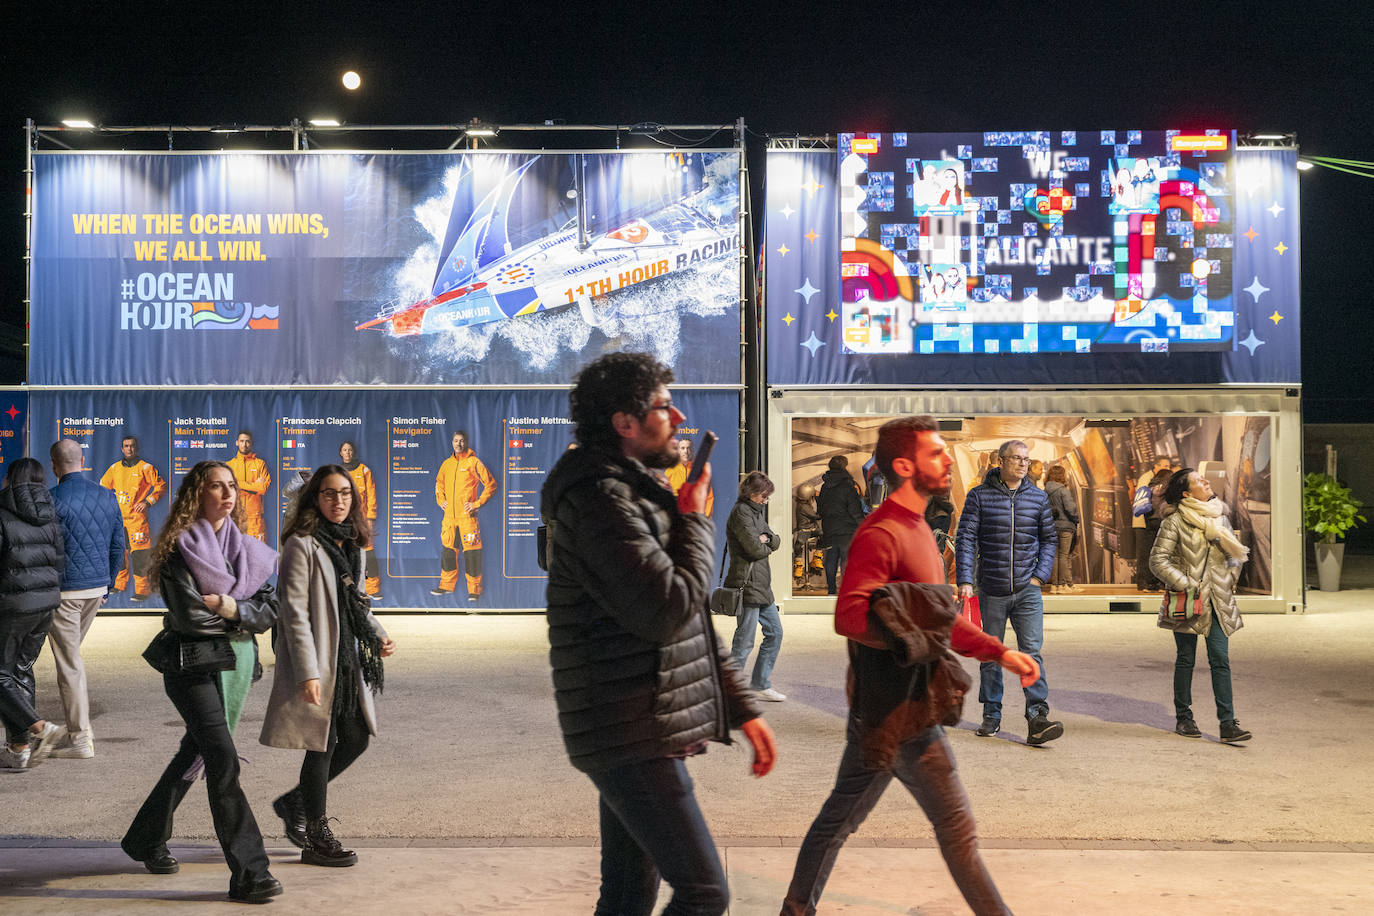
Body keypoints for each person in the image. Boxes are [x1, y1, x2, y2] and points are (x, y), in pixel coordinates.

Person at [541, 351, 777, 915]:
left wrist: (741, 708)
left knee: (627, 895)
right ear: (626, 422)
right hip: (627, 726)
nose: (679, 418)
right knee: (704, 893)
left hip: (641, 720)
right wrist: (694, 519)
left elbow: (689, 623)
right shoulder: (599, 499)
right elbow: (668, 609)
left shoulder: (633, 490)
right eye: (664, 407)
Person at [781, 417, 1038, 916]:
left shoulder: (920, 527)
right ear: (904, 466)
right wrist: (911, 640)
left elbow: (934, 618)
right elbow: (849, 616)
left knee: (840, 822)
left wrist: (1000, 652)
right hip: (896, 710)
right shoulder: (881, 533)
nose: (947, 460)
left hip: (898, 706)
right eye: (936, 453)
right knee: (954, 829)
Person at [120, 461, 282, 903]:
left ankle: (144, 838)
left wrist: (231, 608)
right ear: (198, 493)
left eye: (232, 486)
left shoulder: (249, 550)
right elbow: (192, 619)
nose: (228, 494)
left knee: (194, 755)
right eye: (216, 486)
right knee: (223, 760)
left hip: (233, 667)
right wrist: (244, 616)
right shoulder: (179, 550)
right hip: (191, 668)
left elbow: (271, 610)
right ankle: (251, 873)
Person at [261, 465, 396, 867]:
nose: (338, 501)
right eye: (329, 493)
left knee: (355, 737)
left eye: (345, 494)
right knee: (323, 743)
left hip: (346, 655)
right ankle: (316, 837)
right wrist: (307, 672)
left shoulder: (353, 542)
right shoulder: (301, 544)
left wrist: (377, 634)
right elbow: (293, 613)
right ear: (314, 498)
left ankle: (295, 804)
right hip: (318, 657)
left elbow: (356, 601)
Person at [955, 439, 1062, 745]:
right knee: (991, 654)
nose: (1023, 463)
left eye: (1026, 459)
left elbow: (1049, 539)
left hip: (1027, 591)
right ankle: (991, 714)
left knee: (1032, 653)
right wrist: (965, 579)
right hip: (991, 588)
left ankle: (1037, 716)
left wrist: (1039, 576)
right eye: (1016, 458)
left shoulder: (1038, 498)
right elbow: (966, 539)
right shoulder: (979, 496)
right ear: (1000, 461)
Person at [1150, 467, 1253, 744]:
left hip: (1218, 599)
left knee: (1221, 659)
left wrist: (1229, 579)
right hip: (1188, 600)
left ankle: (1228, 723)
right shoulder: (1174, 522)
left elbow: (1235, 555)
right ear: (1186, 493)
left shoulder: (1220, 517)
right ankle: (1184, 717)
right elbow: (1158, 560)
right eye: (1198, 480)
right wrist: (1185, 583)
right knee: (1186, 659)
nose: (1206, 481)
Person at [46, 439, 125, 759]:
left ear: (54, 466)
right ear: (82, 461)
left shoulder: (51, 499)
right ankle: (76, 731)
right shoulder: (107, 496)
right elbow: (119, 544)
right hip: (95, 589)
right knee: (72, 656)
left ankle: (80, 739)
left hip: (64, 591)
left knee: (69, 664)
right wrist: (107, 585)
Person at [0, 459, 67, 770]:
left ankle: (39, 727)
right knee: (21, 671)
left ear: (10, 479)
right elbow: (59, 562)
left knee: (2, 674)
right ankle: (19, 748)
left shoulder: (2, 511)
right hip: (45, 606)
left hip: (12, 607)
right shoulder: (50, 514)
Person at [725, 470, 785, 702]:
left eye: (767, 496)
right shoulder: (741, 513)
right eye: (763, 495)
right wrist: (765, 541)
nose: (766, 500)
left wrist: (766, 538)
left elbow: (775, 540)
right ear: (751, 493)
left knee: (775, 633)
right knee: (744, 641)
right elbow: (754, 549)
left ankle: (760, 684)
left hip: (762, 586)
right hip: (747, 584)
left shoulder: (756, 513)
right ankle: (731, 690)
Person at [100, 434, 166, 602]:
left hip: (137, 520)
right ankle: (119, 584)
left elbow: (161, 486)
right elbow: (103, 487)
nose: (129, 449)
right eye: (126, 446)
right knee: (119, 553)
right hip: (118, 520)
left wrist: (148, 502)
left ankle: (142, 591)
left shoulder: (145, 468)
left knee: (140, 556)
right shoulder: (114, 468)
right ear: (122, 449)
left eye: (132, 446)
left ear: (137, 448)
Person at [432, 430, 496, 602]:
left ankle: (474, 590)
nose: (458, 444)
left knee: (472, 555)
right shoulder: (446, 464)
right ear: (452, 442)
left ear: (466, 442)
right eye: (455, 441)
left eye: (461, 441)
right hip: (449, 519)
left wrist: (476, 503)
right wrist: (441, 500)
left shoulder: (473, 462)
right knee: (448, 553)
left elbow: (491, 484)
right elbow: (439, 483)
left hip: (468, 518)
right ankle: (446, 586)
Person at [338, 441, 383, 600]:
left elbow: (371, 495)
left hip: (362, 520)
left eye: (350, 450)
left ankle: (373, 589)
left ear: (354, 452)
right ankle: (348, 589)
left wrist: (370, 517)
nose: (348, 453)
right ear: (341, 453)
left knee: (368, 553)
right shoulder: (337, 472)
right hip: (344, 520)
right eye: (345, 450)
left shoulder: (364, 470)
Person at [817, 456, 865, 596]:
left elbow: (820, 509)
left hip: (829, 528)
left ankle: (831, 591)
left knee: (831, 558)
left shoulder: (825, 486)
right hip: (847, 529)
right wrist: (863, 524)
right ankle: (846, 590)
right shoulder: (848, 486)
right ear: (844, 466)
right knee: (846, 558)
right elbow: (855, 509)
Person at [1134, 457, 1172, 590]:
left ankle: (1148, 582)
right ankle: (1148, 581)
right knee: (1150, 553)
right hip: (1148, 522)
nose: (1167, 468)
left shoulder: (1153, 481)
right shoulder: (1152, 479)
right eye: (1165, 466)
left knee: (1147, 553)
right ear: (1156, 466)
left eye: (1168, 466)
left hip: (1147, 519)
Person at [227, 431, 271, 542]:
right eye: (242, 441)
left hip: (255, 520)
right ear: (237, 442)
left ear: (251, 443)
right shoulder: (229, 466)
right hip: (235, 519)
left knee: (258, 552)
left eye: (247, 441)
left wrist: (237, 484)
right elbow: (228, 489)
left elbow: (262, 488)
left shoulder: (260, 464)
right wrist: (254, 486)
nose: (244, 444)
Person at [1044, 465, 1080, 594]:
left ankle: (1054, 586)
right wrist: (1076, 518)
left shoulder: (1045, 490)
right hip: (1065, 527)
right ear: (1061, 476)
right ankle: (1062, 585)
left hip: (1051, 527)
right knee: (1064, 556)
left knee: (1055, 557)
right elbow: (1070, 509)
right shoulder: (1063, 490)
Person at [664, 437, 715, 513]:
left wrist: (703, 516)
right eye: (683, 448)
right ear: (678, 450)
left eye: (688, 448)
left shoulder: (699, 470)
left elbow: (709, 497)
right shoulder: (669, 471)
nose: (686, 451)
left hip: (695, 513)